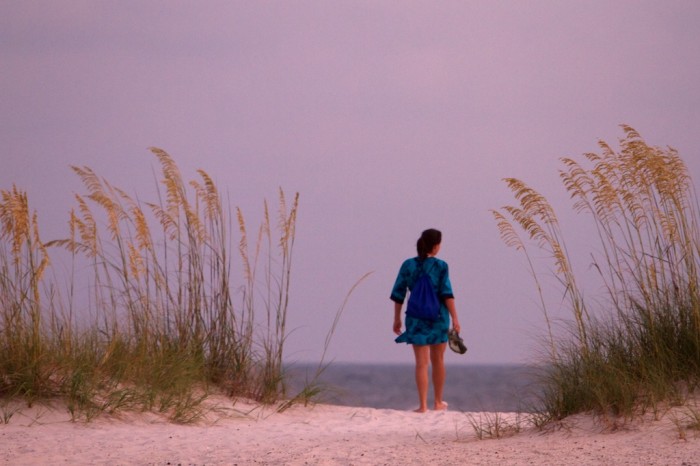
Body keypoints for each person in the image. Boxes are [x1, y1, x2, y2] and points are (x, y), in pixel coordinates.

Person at [390, 228, 461, 413]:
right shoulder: (441, 266)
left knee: (421, 363)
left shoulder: (408, 265)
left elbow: (399, 293)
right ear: (436, 246)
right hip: (438, 318)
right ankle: (437, 402)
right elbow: (447, 294)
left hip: (415, 318)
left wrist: (396, 318)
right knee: (438, 360)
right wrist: (455, 317)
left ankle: (422, 405)